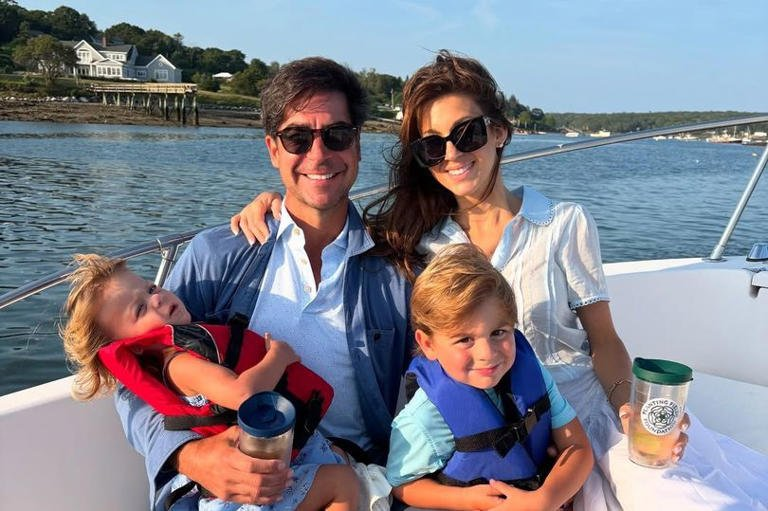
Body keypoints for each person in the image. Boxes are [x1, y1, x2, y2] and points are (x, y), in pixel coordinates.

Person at [233, 51, 768, 510]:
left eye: (467, 133)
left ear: (499, 132)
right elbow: (330, 215)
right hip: (487, 432)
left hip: (578, 416)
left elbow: (604, 342)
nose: (453, 154)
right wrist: (278, 203)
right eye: (433, 146)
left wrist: (628, 409)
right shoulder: (415, 241)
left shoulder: (563, 224)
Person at [115, 56, 412, 511]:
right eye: (297, 138)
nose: (318, 154)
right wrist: (191, 456)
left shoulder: (397, 274)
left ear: (357, 145)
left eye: (336, 134)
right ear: (273, 149)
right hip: (226, 487)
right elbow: (134, 378)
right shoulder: (216, 257)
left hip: (351, 482)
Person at [61, 253, 359, 511]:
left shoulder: (182, 351)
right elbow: (243, 393)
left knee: (339, 461)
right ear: (133, 347)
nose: (157, 298)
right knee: (341, 482)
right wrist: (277, 357)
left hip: (266, 471)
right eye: (140, 309)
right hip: (247, 493)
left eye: (151, 288)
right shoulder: (180, 364)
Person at [387, 244, 593, 511]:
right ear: (428, 344)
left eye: (499, 333)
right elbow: (401, 484)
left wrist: (545, 499)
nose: (487, 354)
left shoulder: (535, 375)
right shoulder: (424, 418)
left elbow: (578, 447)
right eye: (465, 339)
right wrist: (465, 500)